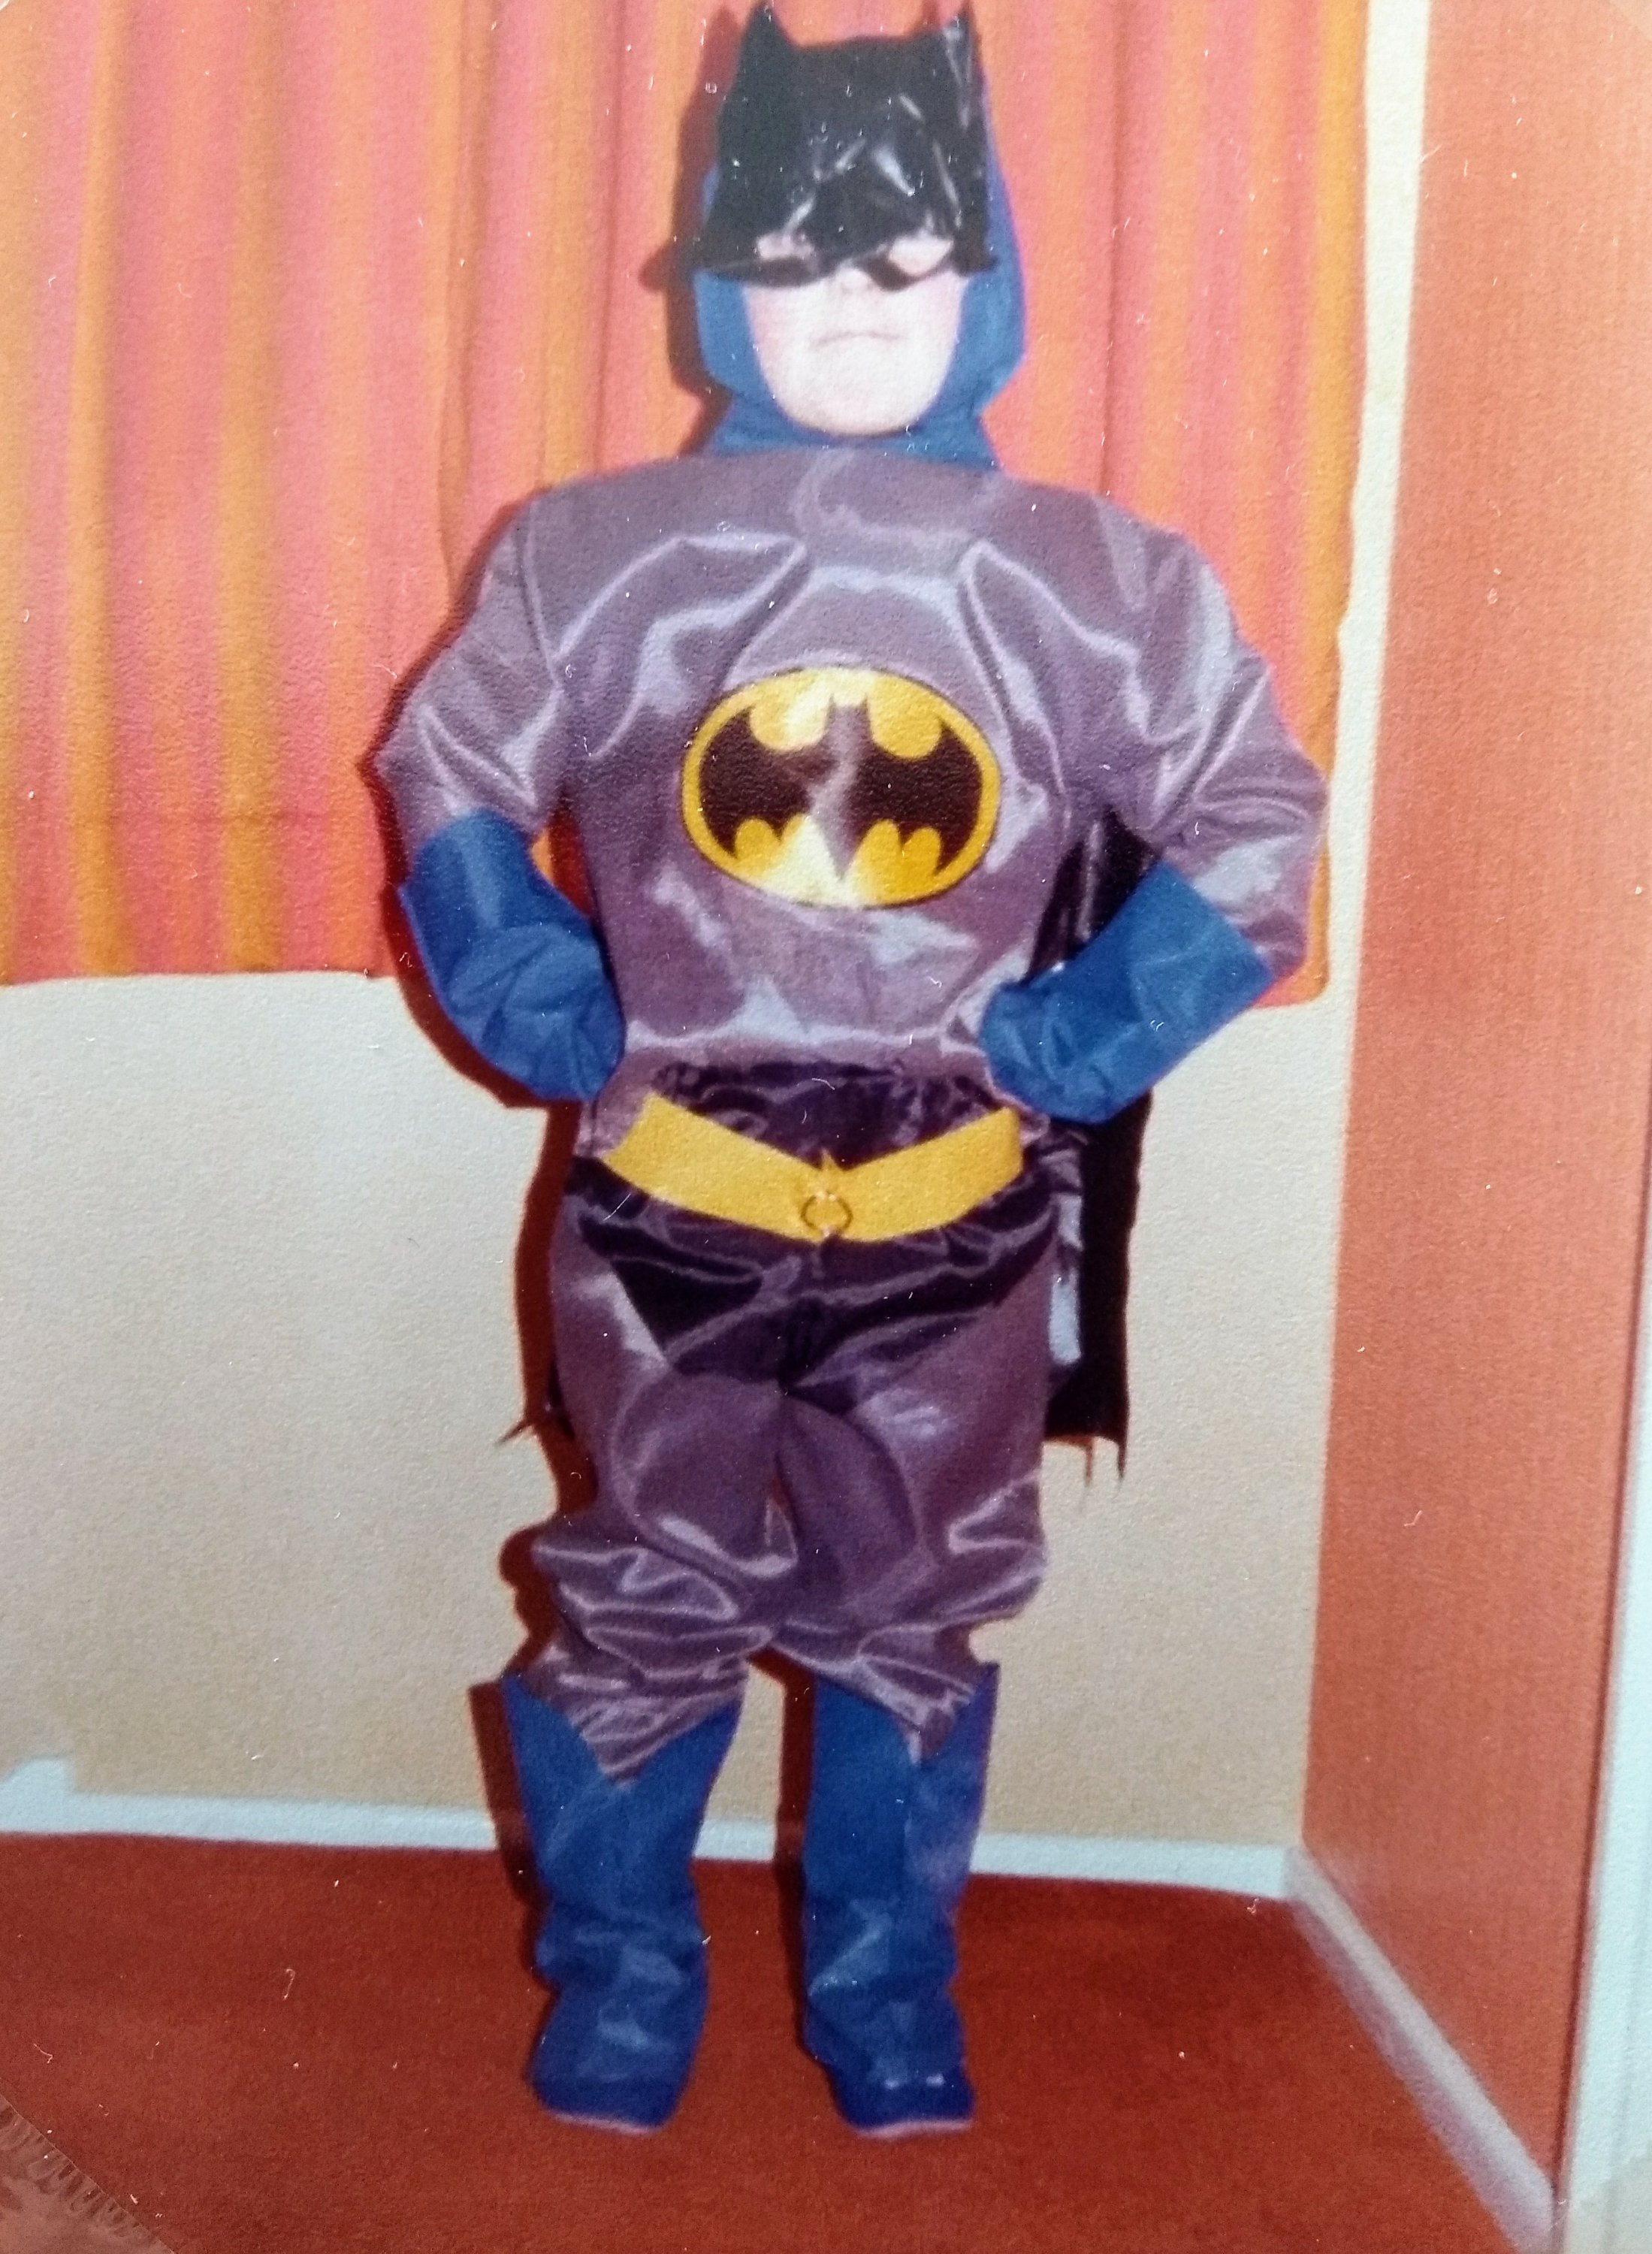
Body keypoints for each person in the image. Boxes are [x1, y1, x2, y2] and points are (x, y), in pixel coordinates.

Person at [376, 4, 1325, 2142]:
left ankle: (890, 1998)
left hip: (950, 1221)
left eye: (905, 266)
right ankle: (623, 1981)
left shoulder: (1100, 581)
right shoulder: (595, 557)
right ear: (725, 291)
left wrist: (1080, 1036)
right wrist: (538, 989)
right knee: (645, 1594)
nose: (853, 313)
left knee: (914, 1617)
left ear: (986, 281)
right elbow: (452, 763)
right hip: (669, 1214)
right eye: (797, 269)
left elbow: (1255, 816)